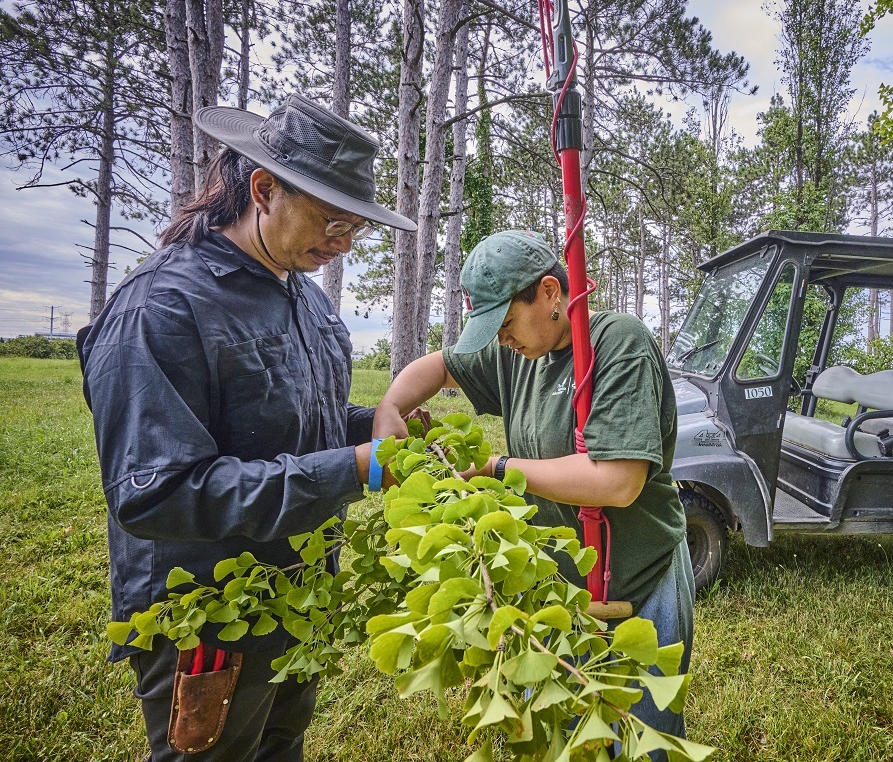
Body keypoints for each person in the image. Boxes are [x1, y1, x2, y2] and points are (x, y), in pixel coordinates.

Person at [79, 94, 414, 761]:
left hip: (299, 593)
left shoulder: (305, 298)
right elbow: (156, 490)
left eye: (357, 229)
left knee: (278, 746)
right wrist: (358, 466)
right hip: (209, 616)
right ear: (263, 188)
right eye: (333, 220)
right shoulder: (163, 307)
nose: (343, 243)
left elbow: (293, 420)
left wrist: (370, 426)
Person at [373, 229, 694, 744]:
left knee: (643, 735)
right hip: (557, 587)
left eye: (505, 323)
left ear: (549, 291)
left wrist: (500, 468)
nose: (502, 340)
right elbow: (438, 366)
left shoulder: (618, 343)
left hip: (640, 573)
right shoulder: (518, 351)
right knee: (566, 737)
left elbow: (617, 481)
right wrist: (387, 409)